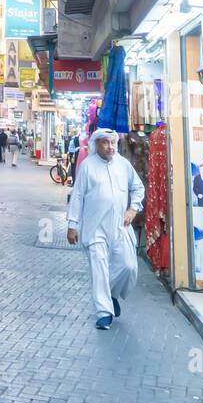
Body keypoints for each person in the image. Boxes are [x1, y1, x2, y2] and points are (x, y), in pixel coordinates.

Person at [66, 128, 145, 331]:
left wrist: (133, 208)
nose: (110, 147)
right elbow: (77, 196)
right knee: (99, 269)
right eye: (105, 143)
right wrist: (72, 225)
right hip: (95, 228)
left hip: (121, 225)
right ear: (96, 144)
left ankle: (110, 294)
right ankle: (103, 312)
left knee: (128, 267)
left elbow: (138, 187)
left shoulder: (123, 164)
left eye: (112, 142)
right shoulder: (87, 166)